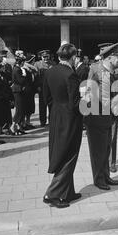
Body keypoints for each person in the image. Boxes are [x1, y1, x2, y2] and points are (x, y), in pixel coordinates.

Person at [42, 43, 83, 209]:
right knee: (69, 156)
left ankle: (68, 192)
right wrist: (86, 100)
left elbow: (46, 97)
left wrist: (56, 111)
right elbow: (75, 103)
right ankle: (52, 194)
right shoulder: (70, 74)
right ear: (73, 57)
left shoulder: (49, 71)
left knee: (62, 152)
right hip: (70, 120)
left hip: (56, 117)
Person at [83, 43, 118, 191]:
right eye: (117, 57)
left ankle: (106, 176)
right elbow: (88, 91)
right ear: (110, 57)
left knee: (106, 148)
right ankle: (98, 179)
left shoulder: (113, 70)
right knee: (97, 151)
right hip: (96, 116)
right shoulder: (95, 69)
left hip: (109, 115)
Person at [34, 50, 55, 127]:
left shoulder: (53, 64)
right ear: (41, 57)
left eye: (47, 57)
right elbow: (35, 77)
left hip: (51, 88)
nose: (45, 58)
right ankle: (42, 121)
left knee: (51, 105)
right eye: (44, 57)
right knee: (42, 105)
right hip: (42, 87)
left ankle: (51, 120)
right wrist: (37, 86)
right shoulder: (37, 64)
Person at [10, 50, 28, 135]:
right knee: (19, 109)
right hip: (17, 90)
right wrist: (24, 76)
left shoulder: (18, 69)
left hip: (20, 90)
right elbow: (20, 81)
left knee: (22, 109)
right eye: (23, 62)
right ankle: (13, 127)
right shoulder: (17, 70)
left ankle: (19, 127)